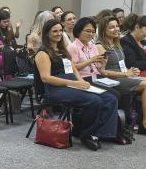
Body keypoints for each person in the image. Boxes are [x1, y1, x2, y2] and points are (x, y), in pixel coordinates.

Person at [35, 20, 119, 150]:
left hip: (72, 84)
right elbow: (46, 78)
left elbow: (73, 69)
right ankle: (87, 135)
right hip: (56, 89)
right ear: (46, 34)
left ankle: (100, 133)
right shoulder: (42, 53)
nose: (58, 33)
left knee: (110, 98)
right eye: (55, 31)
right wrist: (74, 83)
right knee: (94, 100)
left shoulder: (62, 49)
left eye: (60, 31)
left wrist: (82, 82)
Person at [95, 15, 146, 136]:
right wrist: (125, 73)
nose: (116, 29)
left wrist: (131, 70)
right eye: (111, 27)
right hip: (110, 78)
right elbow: (103, 72)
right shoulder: (100, 46)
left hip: (123, 75)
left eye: (117, 26)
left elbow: (122, 65)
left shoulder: (117, 44)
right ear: (103, 30)